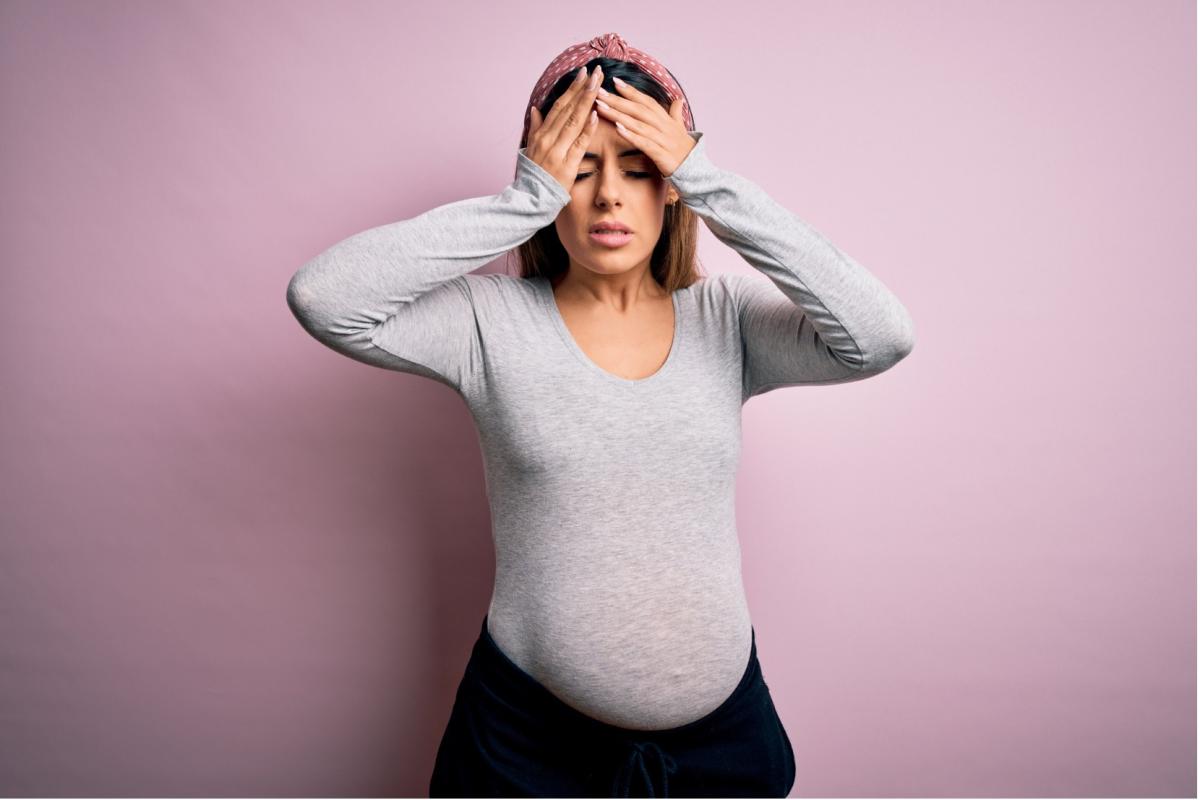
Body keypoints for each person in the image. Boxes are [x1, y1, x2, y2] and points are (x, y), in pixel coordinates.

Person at [287, 31, 914, 799]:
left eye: (639, 168)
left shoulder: (730, 320)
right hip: (529, 746)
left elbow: (880, 338)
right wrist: (522, 200)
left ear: (671, 185)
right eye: (579, 169)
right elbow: (325, 300)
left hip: (723, 747)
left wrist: (708, 177)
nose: (608, 196)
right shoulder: (487, 323)